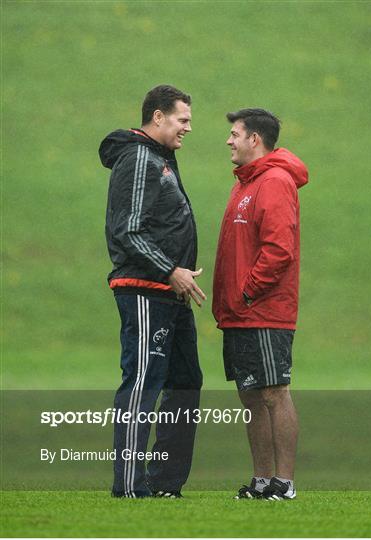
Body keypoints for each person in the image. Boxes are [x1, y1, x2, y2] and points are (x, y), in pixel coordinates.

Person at [99, 84, 206, 498]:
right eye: (183, 119)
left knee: (185, 381)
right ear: (158, 117)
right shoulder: (140, 158)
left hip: (170, 294)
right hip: (146, 290)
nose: (188, 128)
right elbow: (128, 231)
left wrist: (175, 276)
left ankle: (165, 484)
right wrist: (170, 269)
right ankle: (129, 486)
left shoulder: (160, 158)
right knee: (143, 381)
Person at [212, 108, 308, 500]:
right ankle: (263, 481)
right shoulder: (244, 184)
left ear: (255, 139)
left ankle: (284, 484)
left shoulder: (274, 181)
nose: (229, 140)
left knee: (274, 392)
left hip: (264, 311)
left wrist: (249, 292)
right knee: (250, 395)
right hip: (240, 314)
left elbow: (279, 250)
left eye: (235, 134)